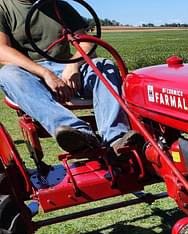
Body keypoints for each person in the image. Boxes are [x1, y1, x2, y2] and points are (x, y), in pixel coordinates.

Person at [0, 0, 139, 154]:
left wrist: (73, 66)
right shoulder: (4, 7)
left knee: (103, 65)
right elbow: (2, 51)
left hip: (67, 68)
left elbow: (86, 43)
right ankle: (79, 134)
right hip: (30, 74)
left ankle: (116, 138)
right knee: (7, 74)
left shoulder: (59, 6)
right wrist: (46, 74)